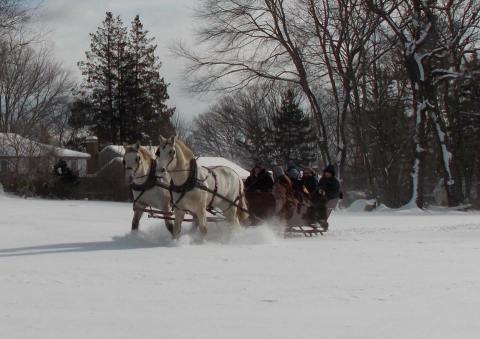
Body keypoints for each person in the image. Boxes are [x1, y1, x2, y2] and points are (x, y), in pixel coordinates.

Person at [317, 164, 341, 230]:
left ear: (331, 174)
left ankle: (322, 219)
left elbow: (336, 193)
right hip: (319, 196)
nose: (327, 174)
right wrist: (319, 190)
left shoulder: (335, 182)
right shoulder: (322, 179)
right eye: (326, 172)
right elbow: (318, 186)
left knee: (321, 204)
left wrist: (326, 194)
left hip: (329, 199)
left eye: (328, 173)